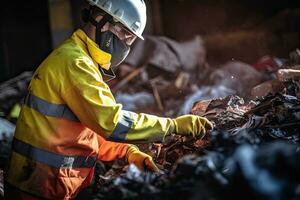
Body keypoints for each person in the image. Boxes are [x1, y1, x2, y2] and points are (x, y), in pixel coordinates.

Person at [4, 0, 213, 199]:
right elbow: (110, 122)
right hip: (37, 190)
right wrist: (172, 126)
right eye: (127, 36)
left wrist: (127, 152)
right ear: (104, 24)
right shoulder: (74, 64)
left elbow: (89, 131)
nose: (127, 46)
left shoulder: (80, 60)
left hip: (44, 185)